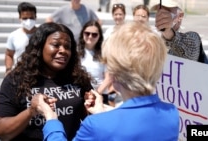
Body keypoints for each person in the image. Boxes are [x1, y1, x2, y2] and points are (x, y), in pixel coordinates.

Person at [31, 21, 180, 141]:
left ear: (114, 75)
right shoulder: (171, 113)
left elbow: (114, 126)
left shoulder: (96, 125)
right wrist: (101, 112)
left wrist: (51, 119)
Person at [0, 22, 93, 141]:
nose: (63, 51)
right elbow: (1, 132)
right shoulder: (16, 80)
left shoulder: (78, 78)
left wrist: (91, 109)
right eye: (56, 45)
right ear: (40, 47)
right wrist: (31, 111)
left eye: (67, 47)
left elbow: (89, 119)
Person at [152, 0, 208, 124]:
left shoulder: (191, 39)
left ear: (179, 16)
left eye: (167, 12)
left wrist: (168, 32)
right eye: (160, 11)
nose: (162, 15)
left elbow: (186, 50)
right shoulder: (156, 43)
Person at [77, 20, 111, 104]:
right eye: (87, 33)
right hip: (80, 94)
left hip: (100, 95)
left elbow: (109, 78)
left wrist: (96, 94)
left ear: (99, 36)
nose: (90, 36)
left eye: (94, 34)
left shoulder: (105, 53)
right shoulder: (76, 52)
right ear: (82, 33)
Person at [5, 2, 37, 75]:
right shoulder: (13, 35)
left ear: (36, 17)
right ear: (20, 18)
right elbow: (9, 54)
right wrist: (8, 69)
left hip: (39, 73)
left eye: (31, 18)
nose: (28, 21)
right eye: (25, 18)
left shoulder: (42, 34)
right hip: (20, 73)